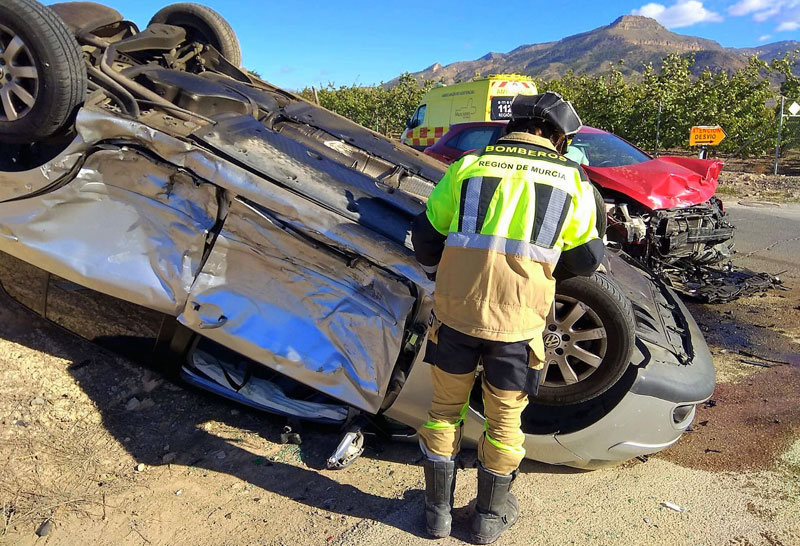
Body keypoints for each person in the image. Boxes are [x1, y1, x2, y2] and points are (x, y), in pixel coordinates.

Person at [411, 91, 604, 544]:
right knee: (504, 422)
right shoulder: (571, 182)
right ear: (557, 137)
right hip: (518, 326)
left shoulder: (468, 167)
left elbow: (424, 235)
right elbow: (589, 258)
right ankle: (487, 519)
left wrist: (440, 276)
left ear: (510, 126)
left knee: (442, 413)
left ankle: (436, 516)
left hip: (456, 315)